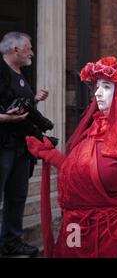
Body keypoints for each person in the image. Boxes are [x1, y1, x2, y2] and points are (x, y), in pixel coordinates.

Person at [25, 57, 117, 258]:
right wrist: (49, 154)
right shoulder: (92, 128)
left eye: (107, 87)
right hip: (79, 230)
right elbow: (79, 171)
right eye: (97, 86)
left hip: (115, 233)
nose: (98, 93)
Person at [0, 32, 48, 257]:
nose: (32, 52)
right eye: (28, 47)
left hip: (21, 145)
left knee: (17, 195)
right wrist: (5, 118)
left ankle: (11, 241)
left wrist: (34, 98)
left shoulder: (21, 74)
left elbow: (21, 106)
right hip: (3, 144)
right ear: (14, 50)